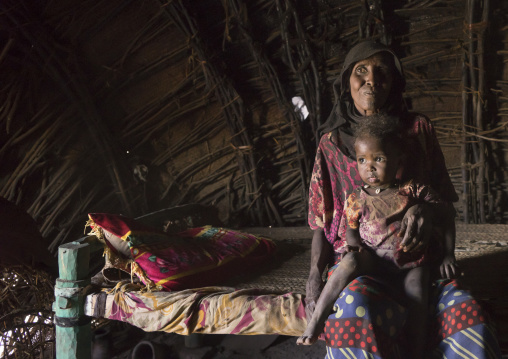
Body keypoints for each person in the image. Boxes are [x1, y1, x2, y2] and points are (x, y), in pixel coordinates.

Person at [304, 40, 502, 358]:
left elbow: (443, 202)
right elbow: (321, 220)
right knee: (355, 313)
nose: (372, 78)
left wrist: (426, 211)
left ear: (395, 81)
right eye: (361, 71)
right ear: (346, 82)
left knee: (468, 315)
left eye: (382, 70)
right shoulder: (331, 143)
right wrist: (315, 275)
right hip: (362, 265)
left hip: (419, 259)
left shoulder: (417, 129)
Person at [297, 114, 458, 359]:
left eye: (379, 159)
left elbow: (446, 215)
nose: (369, 167)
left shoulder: (413, 190)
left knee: (418, 291)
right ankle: (316, 319)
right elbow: (351, 228)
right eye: (363, 160)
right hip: (374, 259)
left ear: (398, 161)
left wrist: (448, 255)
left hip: (410, 261)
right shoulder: (357, 198)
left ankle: (416, 351)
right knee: (347, 262)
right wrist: (354, 247)